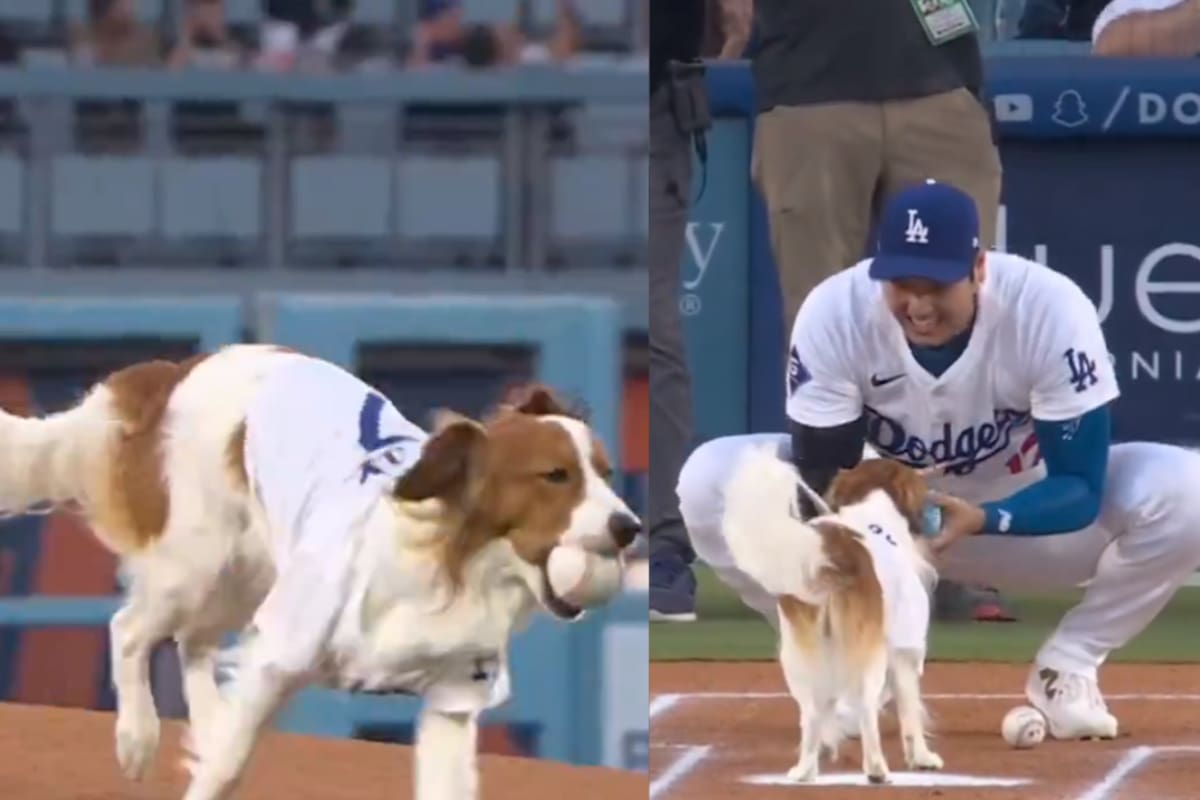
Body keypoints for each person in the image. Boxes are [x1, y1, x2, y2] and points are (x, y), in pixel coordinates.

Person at [674, 180, 1200, 738]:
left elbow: (1080, 488)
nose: (918, 306)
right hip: (881, 525)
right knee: (711, 479)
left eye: (937, 285)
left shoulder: (1048, 308)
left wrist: (988, 518)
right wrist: (887, 530)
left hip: (1025, 519)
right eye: (902, 284)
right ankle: (835, 659)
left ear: (977, 268)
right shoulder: (836, 311)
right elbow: (823, 482)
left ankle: (1069, 665)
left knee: (1187, 489)